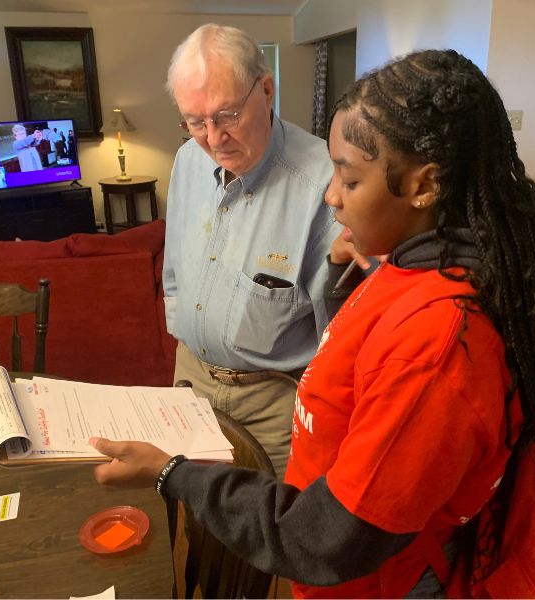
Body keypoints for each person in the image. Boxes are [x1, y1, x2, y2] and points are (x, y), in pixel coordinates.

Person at [90, 49, 535, 598]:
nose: (331, 197)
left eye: (349, 179)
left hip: (390, 582)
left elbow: (323, 538)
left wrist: (172, 473)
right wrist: (348, 268)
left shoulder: (439, 346)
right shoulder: (412, 258)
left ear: (424, 186)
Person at [161, 23, 341, 478]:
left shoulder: (327, 185)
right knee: (192, 519)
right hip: (190, 380)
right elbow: (175, 265)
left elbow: (340, 336)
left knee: (273, 532)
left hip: (274, 402)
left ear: (266, 90)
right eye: (195, 122)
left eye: (226, 115)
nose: (213, 139)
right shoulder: (188, 160)